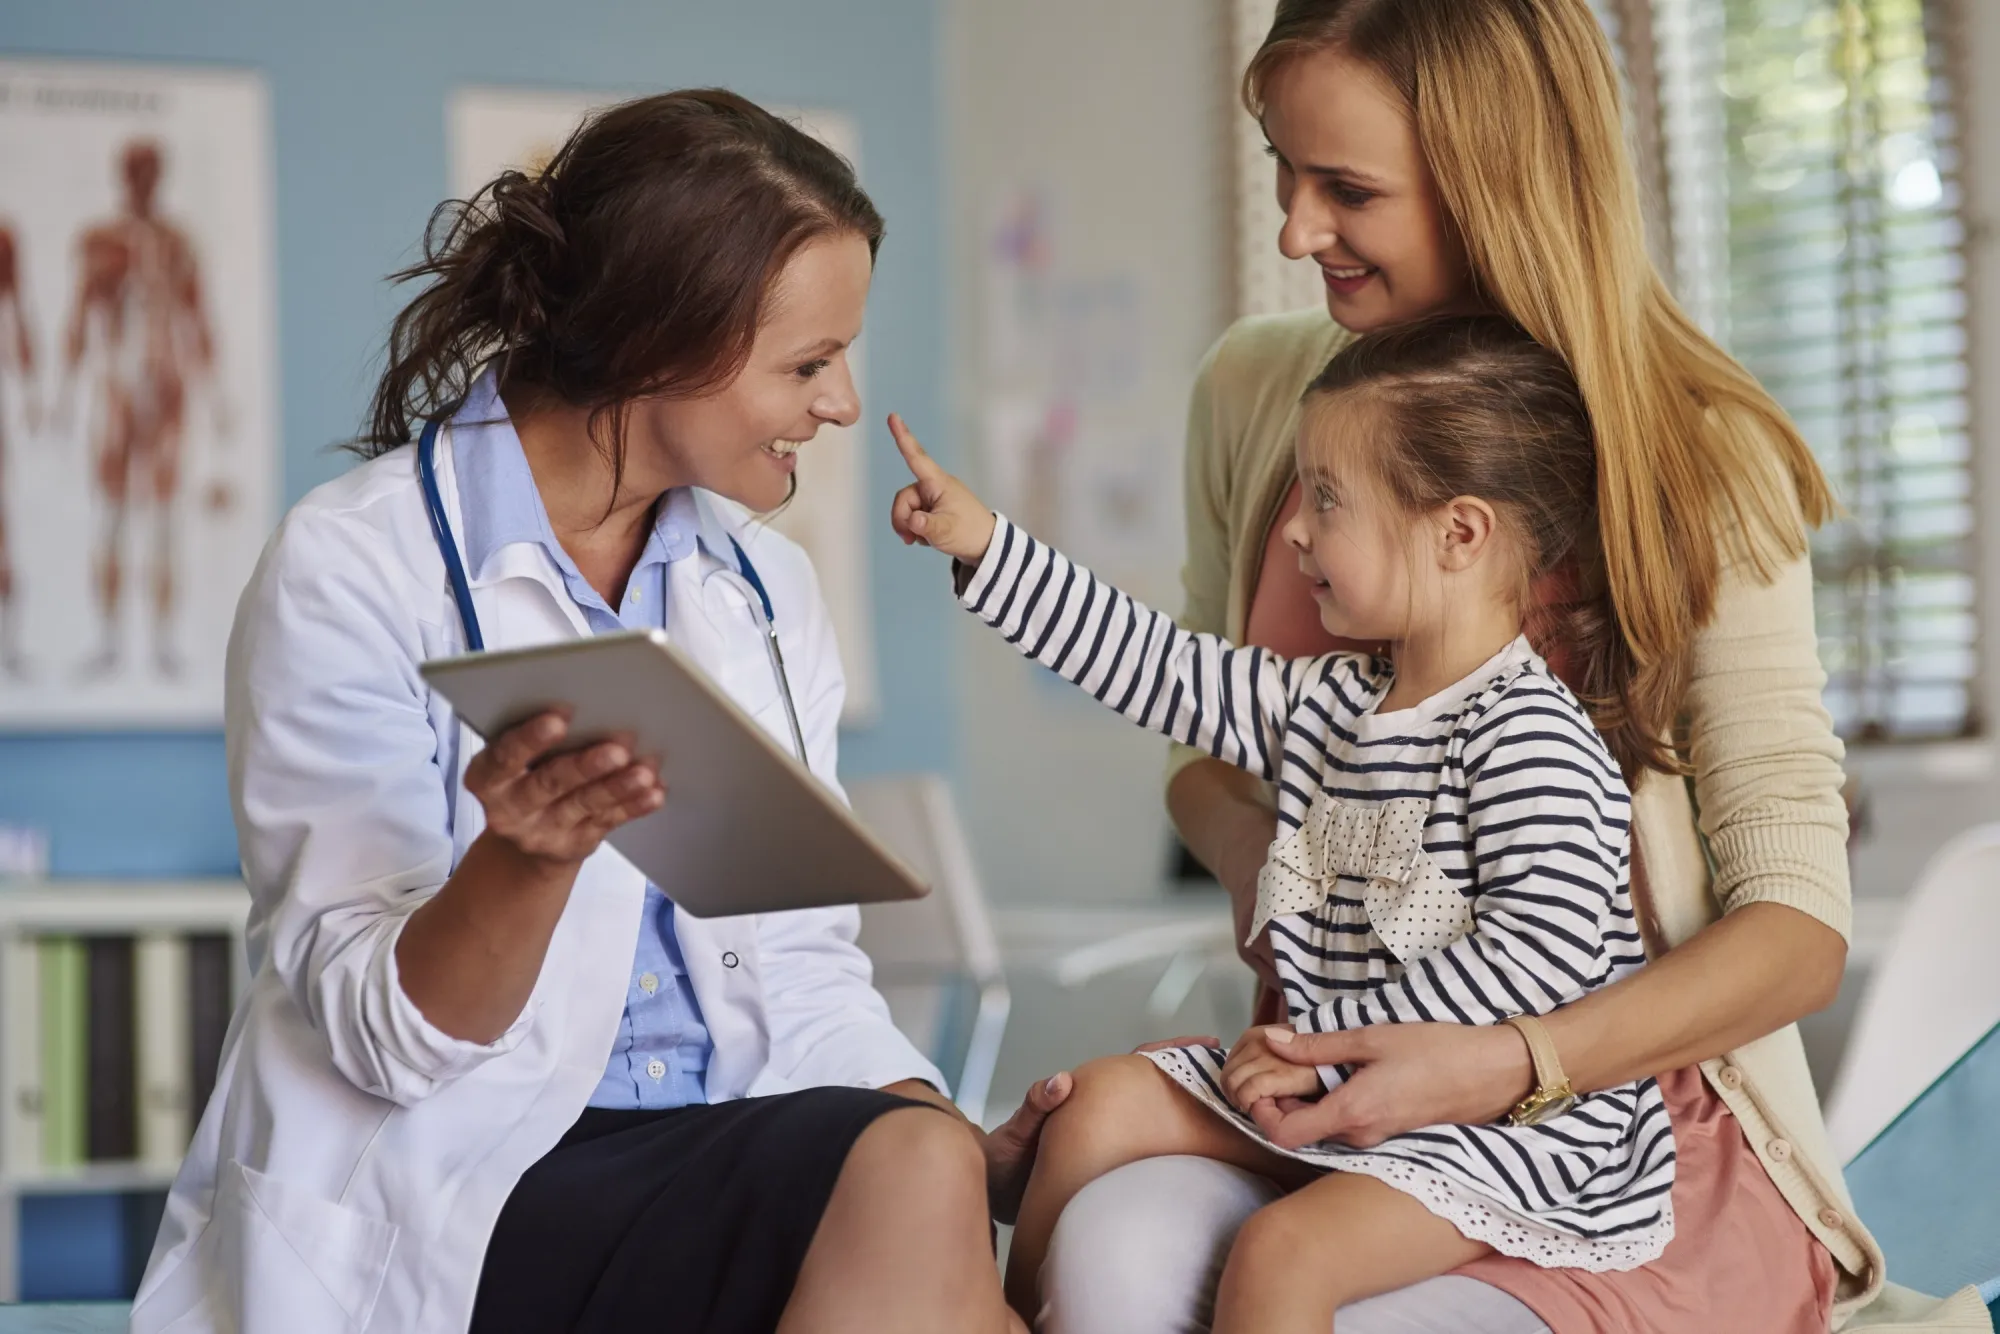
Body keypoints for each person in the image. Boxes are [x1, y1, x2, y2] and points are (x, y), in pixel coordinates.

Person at [1032, 1, 1989, 1331]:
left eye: (1347, 190)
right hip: (1336, 1100)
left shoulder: (1698, 459)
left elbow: (1795, 935)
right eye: (1280, 170)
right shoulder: (1259, 392)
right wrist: (1277, 865)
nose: (1295, 232)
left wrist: (1501, 1060)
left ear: (1499, 186)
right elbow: (1208, 752)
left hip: (1613, 1138)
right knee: (1106, 1249)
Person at [130, 90, 1062, 1334]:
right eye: (807, 363)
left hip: (710, 1148)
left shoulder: (764, 591)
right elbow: (381, 1043)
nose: (840, 405)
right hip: (464, 1183)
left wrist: (950, 1131)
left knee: (920, 1164)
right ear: (656, 341)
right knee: (921, 1199)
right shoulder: (354, 564)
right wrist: (523, 861)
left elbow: (798, 968)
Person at [889, 315, 1676, 1332]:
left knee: (1281, 1252)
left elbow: (1537, 958)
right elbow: (1156, 667)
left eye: (1327, 498)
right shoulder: (1324, 699)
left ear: (1459, 532)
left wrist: (1324, 1050)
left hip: (1493, 1132)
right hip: (1332, 1087)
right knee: (1087, 1110)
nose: (1295, 528)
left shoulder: (1529, 738)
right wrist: (987, 547)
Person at [59, 139, 227, 679]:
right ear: (123, 176)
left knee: (162, 516)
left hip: (167, 384)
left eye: (150, 171)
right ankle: (108, 640)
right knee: (110, 514)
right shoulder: (100, 241)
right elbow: (81, 315)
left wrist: (218, 397)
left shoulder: (178, 242)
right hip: (117, 386)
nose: (143, 181)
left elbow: (198, 319)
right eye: (136, 171)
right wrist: (63, 395)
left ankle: (161, 642)